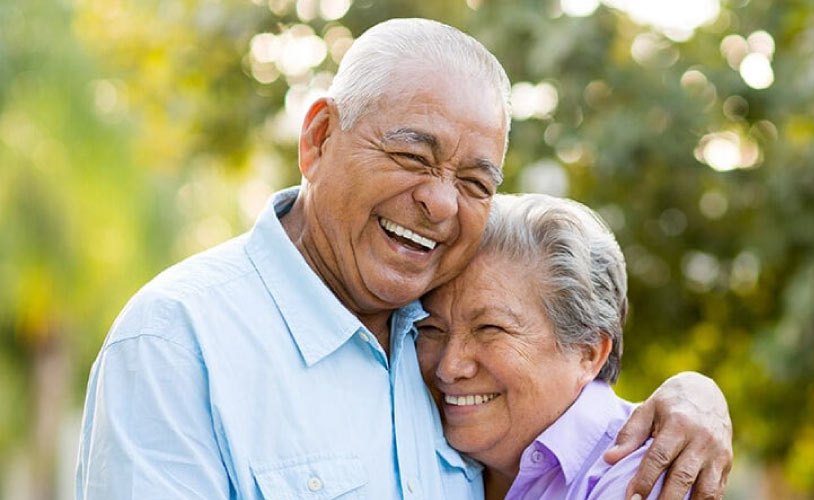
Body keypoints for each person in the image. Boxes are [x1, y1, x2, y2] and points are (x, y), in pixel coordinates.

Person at [76, 18, 732, 500]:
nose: (442, 202)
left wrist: (694, 397)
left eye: (476, 182)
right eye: (413, 156)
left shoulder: (439, 336)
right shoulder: (178, 342)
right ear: (320, 138)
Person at [416, 193, 713, 500]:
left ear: (588, 352)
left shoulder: (640, 478)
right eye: (431, 328)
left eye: (490, 328)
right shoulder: (423, 442)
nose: (449, 367)